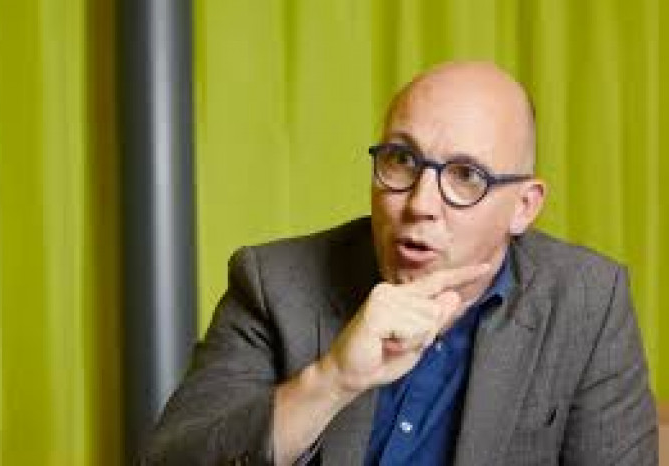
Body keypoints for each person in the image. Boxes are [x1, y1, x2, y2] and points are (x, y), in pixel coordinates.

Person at [141, 62, 658, 465]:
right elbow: (170, 459)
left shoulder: (588, 302)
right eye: (402, 160)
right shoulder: (276, 283)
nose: (419, 203)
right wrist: (332, 380)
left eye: (466, 175)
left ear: (523, 206)